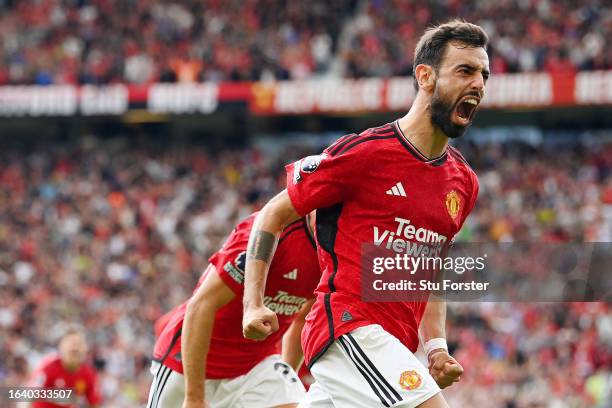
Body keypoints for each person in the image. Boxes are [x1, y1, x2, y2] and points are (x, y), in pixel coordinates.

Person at [242, 20, 489, 408]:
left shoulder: (463, 183)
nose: (478, 83)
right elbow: (273, 214)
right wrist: (253, 303)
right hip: (347, 327)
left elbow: (431, 266)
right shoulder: (365, 154)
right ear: (425, 77)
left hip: (394, 343)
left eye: (483, 74)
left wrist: (437, 347)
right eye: (465, 70)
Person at [148, 212, 321, 408]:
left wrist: (287, 370)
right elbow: (201, 305)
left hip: (256, 366)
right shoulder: (267, 232)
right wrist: (194, 397)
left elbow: (302, 318)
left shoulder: (339, 249)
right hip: (191, 368)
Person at [29, 325, 100, 408]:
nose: (75, 347)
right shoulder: (48, 367)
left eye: (79, 344)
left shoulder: (89, 374)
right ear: (61, 347)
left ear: (85, 349)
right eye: (71, 344)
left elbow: (94, 403)